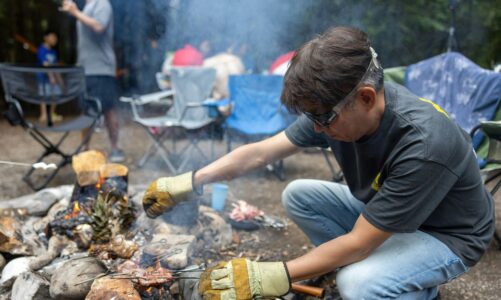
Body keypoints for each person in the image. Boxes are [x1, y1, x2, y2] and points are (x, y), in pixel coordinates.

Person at [142, 27, 495, 299]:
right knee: (298, 194)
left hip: (446, 236)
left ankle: (415, 286)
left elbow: (359, 241)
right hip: (393, 218)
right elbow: (262, 151)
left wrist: (273, 275)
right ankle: (386, 266)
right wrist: (191, 180)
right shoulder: (334, 108)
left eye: (322, 119)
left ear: (366, 97)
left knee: (355, 283)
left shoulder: (424, 143)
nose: (315, 128)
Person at [61, 0, 125, 163]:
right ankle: (85, 150)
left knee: (108, 109)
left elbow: (98, 27)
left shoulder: (102, 3)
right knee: (86, 110)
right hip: (86, 69)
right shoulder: (88, 7)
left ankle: (115, 148)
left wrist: (75, 12)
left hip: (101, 68)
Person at [37, 30, 63, 123]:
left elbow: (55, 66)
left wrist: (59, 79)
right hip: (43, 78)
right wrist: (51, 76)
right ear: (46, 38)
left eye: (55, 38)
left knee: (56, 95)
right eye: (52, 37)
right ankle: (43, 115)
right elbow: (45, 64)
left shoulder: (53, 52)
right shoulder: (41, 49)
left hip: (53, 79)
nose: (54, 39)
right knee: (44, 96)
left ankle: (51, 114)